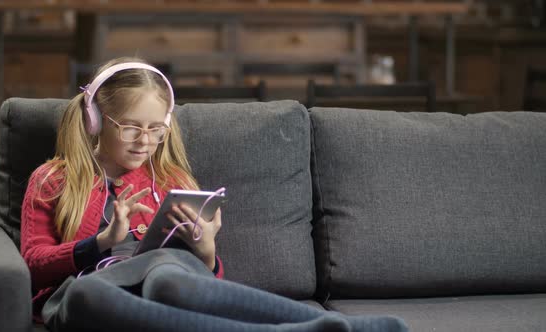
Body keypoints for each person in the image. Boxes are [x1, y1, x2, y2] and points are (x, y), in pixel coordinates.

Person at [21, 57, 408, 332]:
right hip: (93, 283)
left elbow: (207, 279)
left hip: (164, 271)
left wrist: (206, 251)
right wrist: (101, 242)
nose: (146, 142)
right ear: (95, 121)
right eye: (131, 128)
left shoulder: (172, 179)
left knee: (169, 281)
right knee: (88, 298)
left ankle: (331, 326)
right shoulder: (53, 179)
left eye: (157, 129)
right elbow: (34, 263)